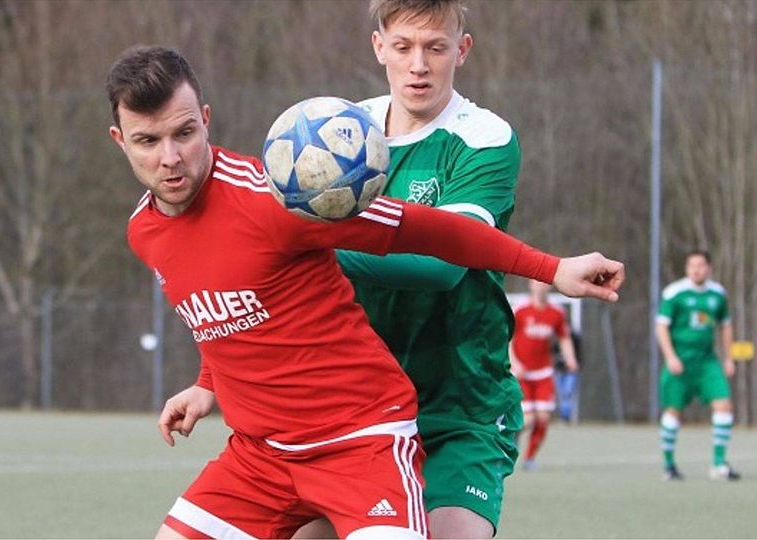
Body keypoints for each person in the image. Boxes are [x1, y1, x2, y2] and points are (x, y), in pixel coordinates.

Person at [108, 45, 623, 539]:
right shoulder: (143, 231)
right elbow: (225, 306)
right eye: (148, 141)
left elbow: (434, 231)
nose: (171, 158)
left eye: (184, 133)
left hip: (360, 443)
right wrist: (207, 383)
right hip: (259, 459)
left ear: (206, 118)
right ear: (120, 140)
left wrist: (551, 268)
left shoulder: (283, 200)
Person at [298, 0, 535, 537]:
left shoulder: (484, 138)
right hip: (354, 404)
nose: (419, 65)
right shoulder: (339, 134)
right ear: (379, 46)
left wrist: (316, 244)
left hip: (459, 402)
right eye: (403, 47)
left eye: (436, 48)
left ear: (463, 50)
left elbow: (443, 264)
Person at [655, 250, 739, 481]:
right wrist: (671, 357)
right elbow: (661, 327)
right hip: (680, 361)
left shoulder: (717, 294)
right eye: (691, 265)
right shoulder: (674, 293)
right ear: (686, 268)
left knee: (724, 406)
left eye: (700, 265)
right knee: (673, 411)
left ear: (709, 267)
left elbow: (725, 325)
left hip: (707, 361)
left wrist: (728, 357)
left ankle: (719, 464)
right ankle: (669, 465)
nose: (696, 269)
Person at [509, 279, 578, 471]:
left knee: (543, 419)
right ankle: (512, 438)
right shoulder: (520, 310)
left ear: (549, 286)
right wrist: (515, 363)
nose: (540, 286)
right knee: (528, 420)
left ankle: (530, 459)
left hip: (544, 373)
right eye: (536, 283)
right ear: (530, 285)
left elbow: (564, 338)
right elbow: (508, 338)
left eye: (544, 283)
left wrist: (570, 358)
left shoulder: (556, 313)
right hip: (522, 373)